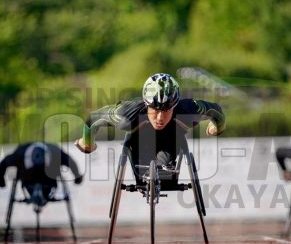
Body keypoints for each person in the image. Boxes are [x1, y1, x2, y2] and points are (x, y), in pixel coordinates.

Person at [75, 73, 226, 175]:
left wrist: (217, 128)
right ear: (146, 104)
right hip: (138, 139)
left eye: (167, 110)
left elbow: (217, 111)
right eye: (154, 109)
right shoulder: (126, 115)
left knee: (166, 176)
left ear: (175, 106)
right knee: (142, 175)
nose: (160, 117)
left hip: (171, 139)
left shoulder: (188, 110)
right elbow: (93, 119)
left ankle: (161, 171)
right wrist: (86, 143)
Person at [0, 142, 83, 205]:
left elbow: (71, 162)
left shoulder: (56, 153)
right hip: (29, 180)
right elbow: (4, 163)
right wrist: (1, 179)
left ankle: (42, 180)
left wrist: (77, 176)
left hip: (48, 180)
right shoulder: (20, 154)